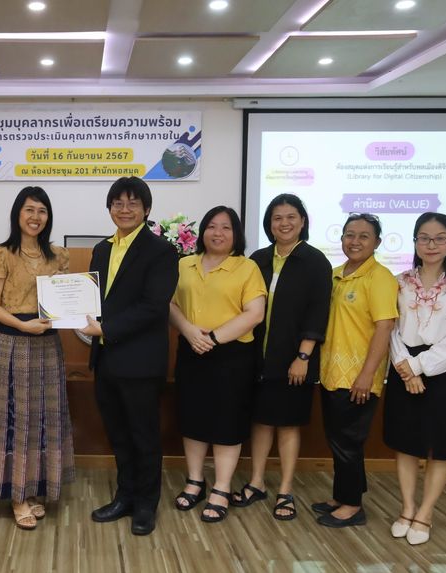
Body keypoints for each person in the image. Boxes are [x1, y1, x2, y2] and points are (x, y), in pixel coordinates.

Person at [0, 186, 75, 530]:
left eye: (42, 211)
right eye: (29, 209)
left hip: (48, 345)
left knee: (43, 418)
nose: (35, 217)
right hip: (13, 342)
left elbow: (64, 302)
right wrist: (22, 325)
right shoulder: (0, 253)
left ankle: (32, 489)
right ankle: (16, 497)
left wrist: (67, 307)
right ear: (18, 213)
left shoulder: (58, 255)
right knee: (14, 420)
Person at [80, 176, 178, 536]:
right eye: (118, 203)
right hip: (106, 361)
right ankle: (125, 496)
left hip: (140, 362)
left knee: (144, 436)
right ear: (109, 208)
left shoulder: (161, 251)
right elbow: (94, 299)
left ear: (146, 209)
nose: (124, 209)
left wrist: (105, 328)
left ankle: (146, 505)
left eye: (133, 203)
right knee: (119, 435)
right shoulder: (101, 249)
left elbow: (153, 306)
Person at [231, 194, 331, 520]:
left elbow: (318, 313)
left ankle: (285, 490)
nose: (284, 223)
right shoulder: (258, 259)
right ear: (269, 223)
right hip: (257, 358)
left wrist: (303, 356)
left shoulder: (315, 262)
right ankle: (257, 482)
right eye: (277, 218)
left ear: (302, 221)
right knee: (261, 421)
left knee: (287, 424)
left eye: (291, 217)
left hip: (294, 359)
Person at [385, 213, 446, 545]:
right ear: (415, 242)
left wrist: (418, 367)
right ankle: (407, 508)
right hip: (402, 366)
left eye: (440, 238)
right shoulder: (399, 281)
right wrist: (405, 368)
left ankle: (425, 513)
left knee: (440, 447)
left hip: (443, 370)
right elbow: (391, 329)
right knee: (406, 443)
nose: (432, 244)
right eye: (424, 238)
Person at [169, 206, 266, 524]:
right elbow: (169, 304)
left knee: (227, 422)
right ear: (202, 232)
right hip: (190, 349)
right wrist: (188, 331)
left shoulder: (247, 267)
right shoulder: (184, 264)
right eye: (212, 226)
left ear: (236, 234)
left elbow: (255, 313)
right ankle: (195, 481)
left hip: (232, 355)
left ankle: (222, 487)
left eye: (226, 227)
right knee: (192, 417)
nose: (218, 233)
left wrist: (212, 338)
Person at [313, 213, 397, 528]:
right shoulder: (335, 275)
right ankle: (343, 496)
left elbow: (385, 327)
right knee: (338, 440)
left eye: (364, 236)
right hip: (332, 373)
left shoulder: (380, 278)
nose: (355, 241)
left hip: (358, 377)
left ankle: (352, 506)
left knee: (348, 442)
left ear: (377, 242)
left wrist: (366, 375)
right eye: (350, 234)